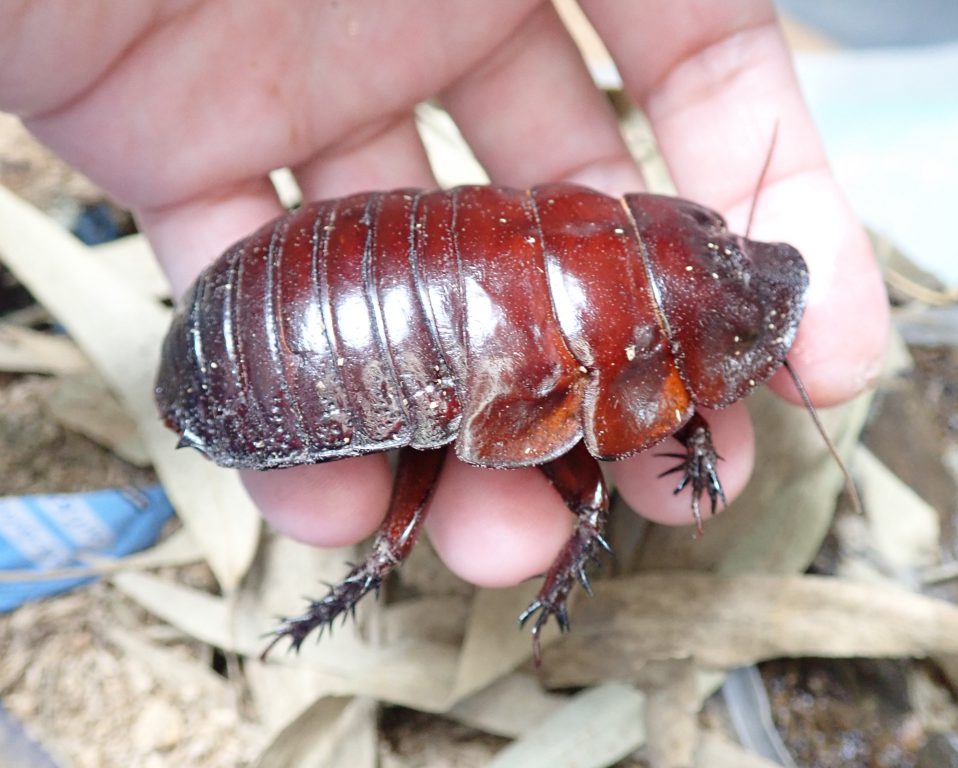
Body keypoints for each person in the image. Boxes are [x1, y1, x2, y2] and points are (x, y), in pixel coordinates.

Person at [0, 1, 888, 590]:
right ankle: (360, 591)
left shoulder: (594, 266)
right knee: (546, 508)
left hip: (308, 276)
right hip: (263, 330)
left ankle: (352, 593)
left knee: (497, 511)